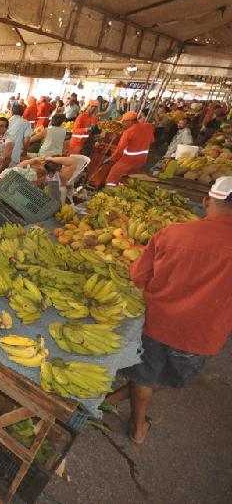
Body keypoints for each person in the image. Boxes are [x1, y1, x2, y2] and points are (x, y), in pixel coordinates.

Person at [103, 176, 232, 444]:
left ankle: (136, 424)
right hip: (201, 336)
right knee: (170, 377)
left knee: (145, 374)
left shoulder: (172, 233)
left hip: (156, 323)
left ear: (206, 201)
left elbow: (139, 276)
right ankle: (127, 408)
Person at [103, 111, 155, 187]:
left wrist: (111, 159)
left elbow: (119, 150)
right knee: (126, 178)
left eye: (124, 122)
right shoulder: (148, 127)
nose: (123, 124)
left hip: (128, 160)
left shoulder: (128, 132)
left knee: (112, 177)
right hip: (141, 160)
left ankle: (108, 192)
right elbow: (151, 141)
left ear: (130, 121)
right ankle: (121, 189)